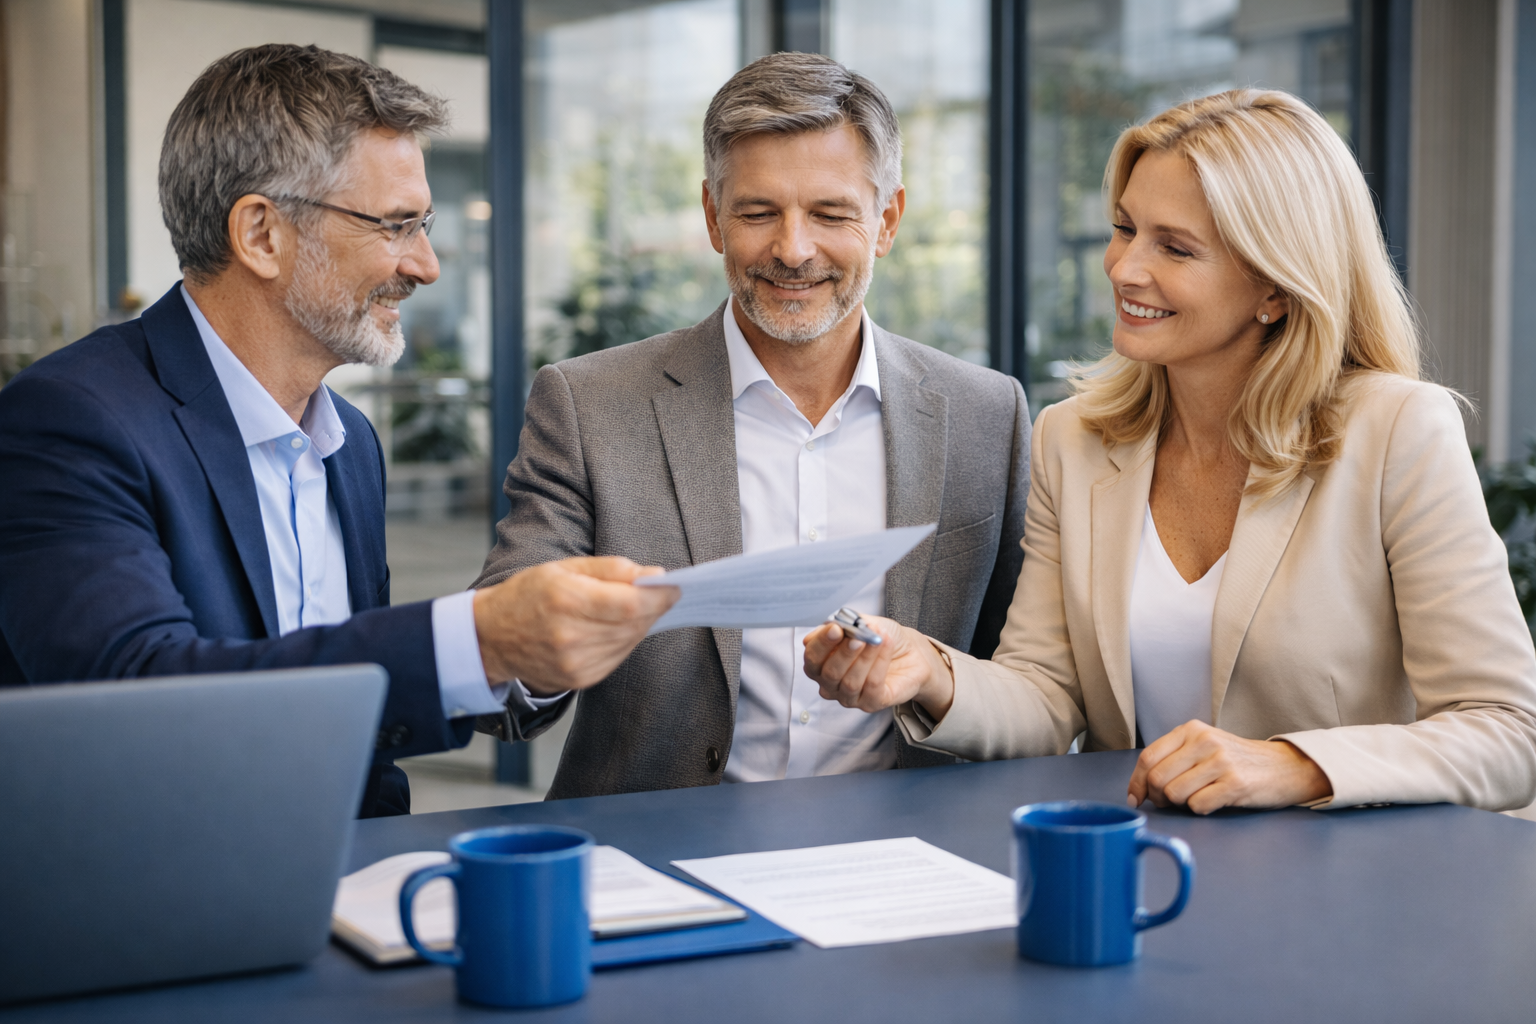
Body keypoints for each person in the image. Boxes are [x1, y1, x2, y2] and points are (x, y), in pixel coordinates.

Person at [805, 88, 1536, 814]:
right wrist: (926, 670)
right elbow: (1047, 695)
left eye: (1175, 248)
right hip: (1144, 869)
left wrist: (1295, 765)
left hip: (1348, 887)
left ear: (1275, 287)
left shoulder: (1398, 430)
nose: (1124, 268)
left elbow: (1509, 732)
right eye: (1124, 229)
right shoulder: (1075, 440)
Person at [0, 45, 675, 817]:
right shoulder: (68, 420)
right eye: (395, 225)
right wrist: (480, 637)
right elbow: (139, 701)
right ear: (260, 235)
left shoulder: (349, 444)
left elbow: (363, 739)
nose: (426, 265)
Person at [474, 52, 1029, 798]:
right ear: (712, 217)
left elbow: (1026, 682)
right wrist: (556, 632)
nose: (792, 250)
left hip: (907, 852)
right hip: (659, 854)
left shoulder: (987, 415)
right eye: (758, 212)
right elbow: (501, 689)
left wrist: (931, 678)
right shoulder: (587, 405)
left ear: (887, 220)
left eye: (830, 214)